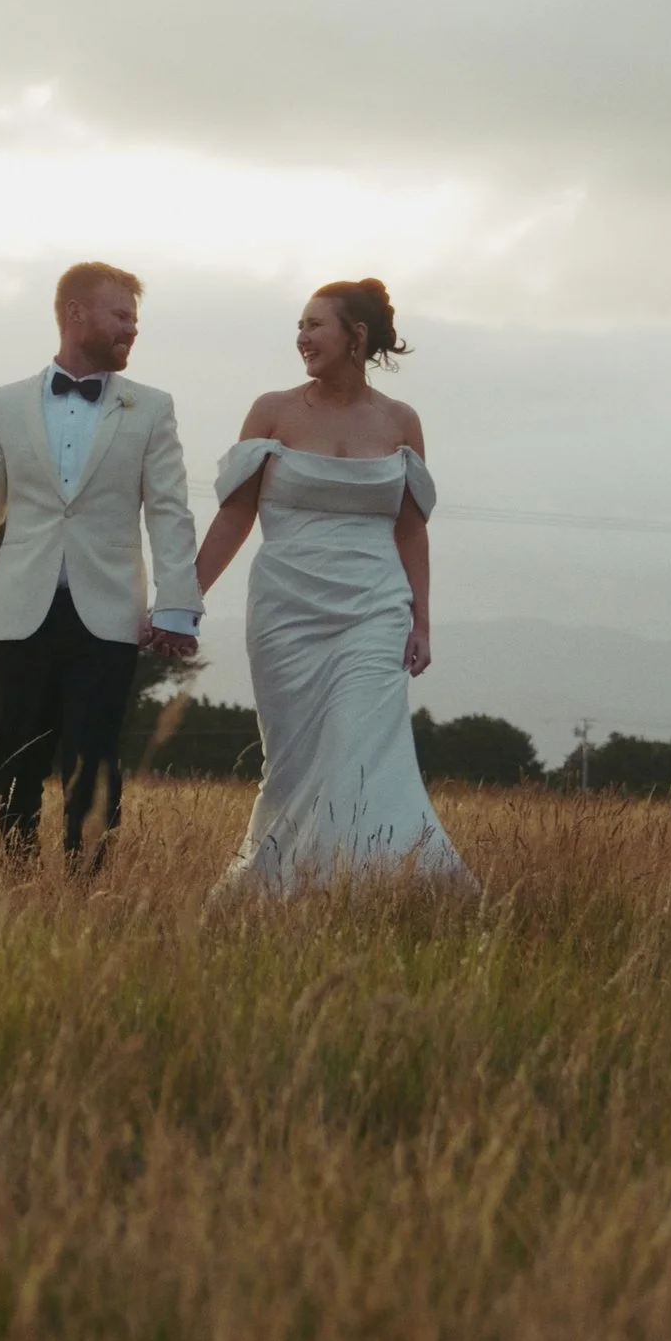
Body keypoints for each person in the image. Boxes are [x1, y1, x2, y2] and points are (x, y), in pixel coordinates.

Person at [193, 279, 479, 899]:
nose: (301, 337)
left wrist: (421, 621)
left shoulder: (402, 422)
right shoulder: (273, 409)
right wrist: (185, 596)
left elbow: (411, 530)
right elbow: (237, 515)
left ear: (356, 336)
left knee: (362, 746)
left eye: (315, 325)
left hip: (375, 607)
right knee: (294, 763)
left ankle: (378, 886)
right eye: (299, 325)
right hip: (286, 609)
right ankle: (287, 892)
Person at [0, 262, 204, 872]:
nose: (132, 330)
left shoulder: (153, 409)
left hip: (108, 617)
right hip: (18, 614)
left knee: (94, 764)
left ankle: (87, 888)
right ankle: (20, 874)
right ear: (75, 314)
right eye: (121, 316)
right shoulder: (2, 405)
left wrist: (176, 605)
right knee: (11, 760)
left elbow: (169, 512)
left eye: (136, 320)